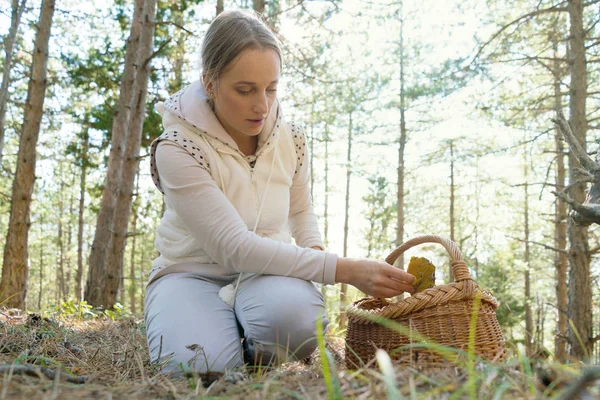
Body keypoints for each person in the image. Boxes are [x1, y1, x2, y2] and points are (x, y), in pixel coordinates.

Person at [144, 9, 415, 376]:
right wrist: (342, 269)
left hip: (268, 274)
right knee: (197, 368)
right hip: (191, 273)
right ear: (210, 83)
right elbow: (233, 247)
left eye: (271, 88)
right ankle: (210, 330)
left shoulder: (292, 139)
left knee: (299, 323)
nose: (262, 105)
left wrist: (314, 255)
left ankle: (257, 349)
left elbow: (301, 211)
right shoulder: (178, 147)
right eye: (245, 90)